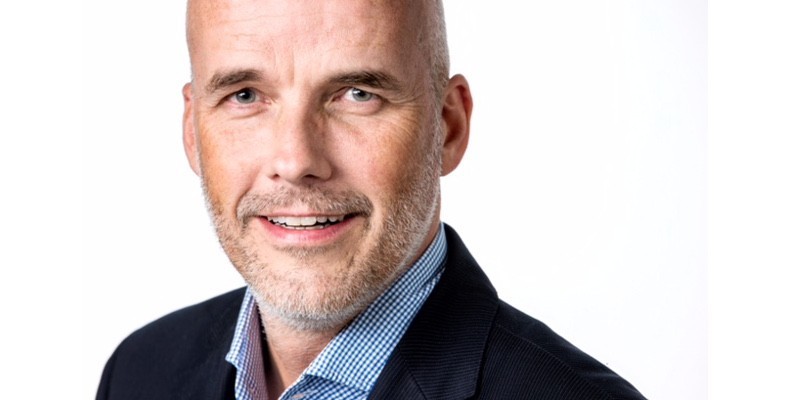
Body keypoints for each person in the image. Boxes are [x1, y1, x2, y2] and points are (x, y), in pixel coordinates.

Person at [96, 0, 645, 399]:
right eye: (245, 95)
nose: (296, 159)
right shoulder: (140, 374)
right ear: (193, 131)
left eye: (358, 94)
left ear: (448, 127)